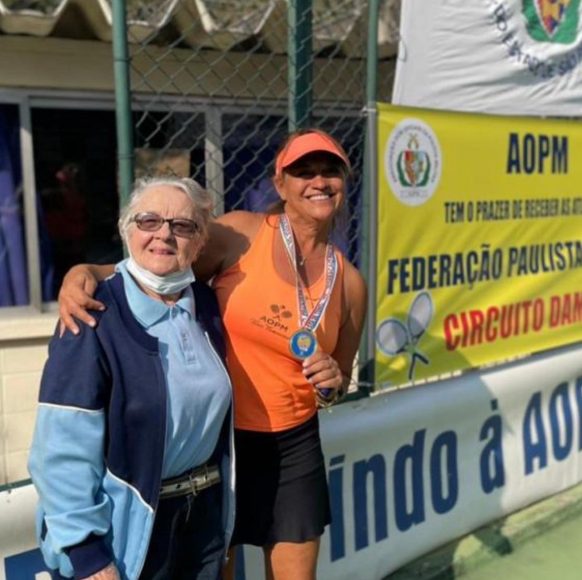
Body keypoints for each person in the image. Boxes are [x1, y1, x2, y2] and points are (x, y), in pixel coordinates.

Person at [58, 129, 368, 580]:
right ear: (280, 184)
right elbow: (163, 262)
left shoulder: (351, 283)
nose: (318, 181)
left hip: (295, 446)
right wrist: (86, 271)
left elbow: (338, 380)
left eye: (330, 171)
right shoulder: (243, 234)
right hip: (220, 440)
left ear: (345, 181)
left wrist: (331, 383)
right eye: (304, 171)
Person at [29, 176, 234, 580]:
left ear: (200, 242)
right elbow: (60, 451)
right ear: (127, 230)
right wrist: (87, 554)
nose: (164, 234)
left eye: (182, 225)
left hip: (203, 521)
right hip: (128, 532)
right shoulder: (91, 314)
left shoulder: (206, 305)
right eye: (149, 221)